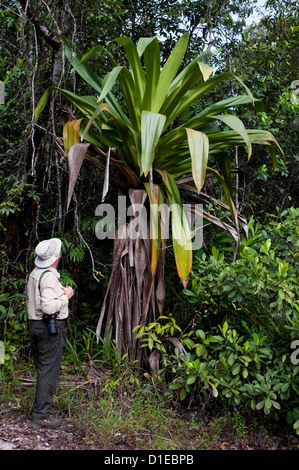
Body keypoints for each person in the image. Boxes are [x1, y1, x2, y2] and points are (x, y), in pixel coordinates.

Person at [27, 238, 74, 428]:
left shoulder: (35, 273)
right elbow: (48, 307)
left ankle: (41, 410)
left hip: (35, 325)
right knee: (48, 371)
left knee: (43, 368)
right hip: (49, 328)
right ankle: (41, 416)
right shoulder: (48, 276)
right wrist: (66, 296)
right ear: (56, 257)